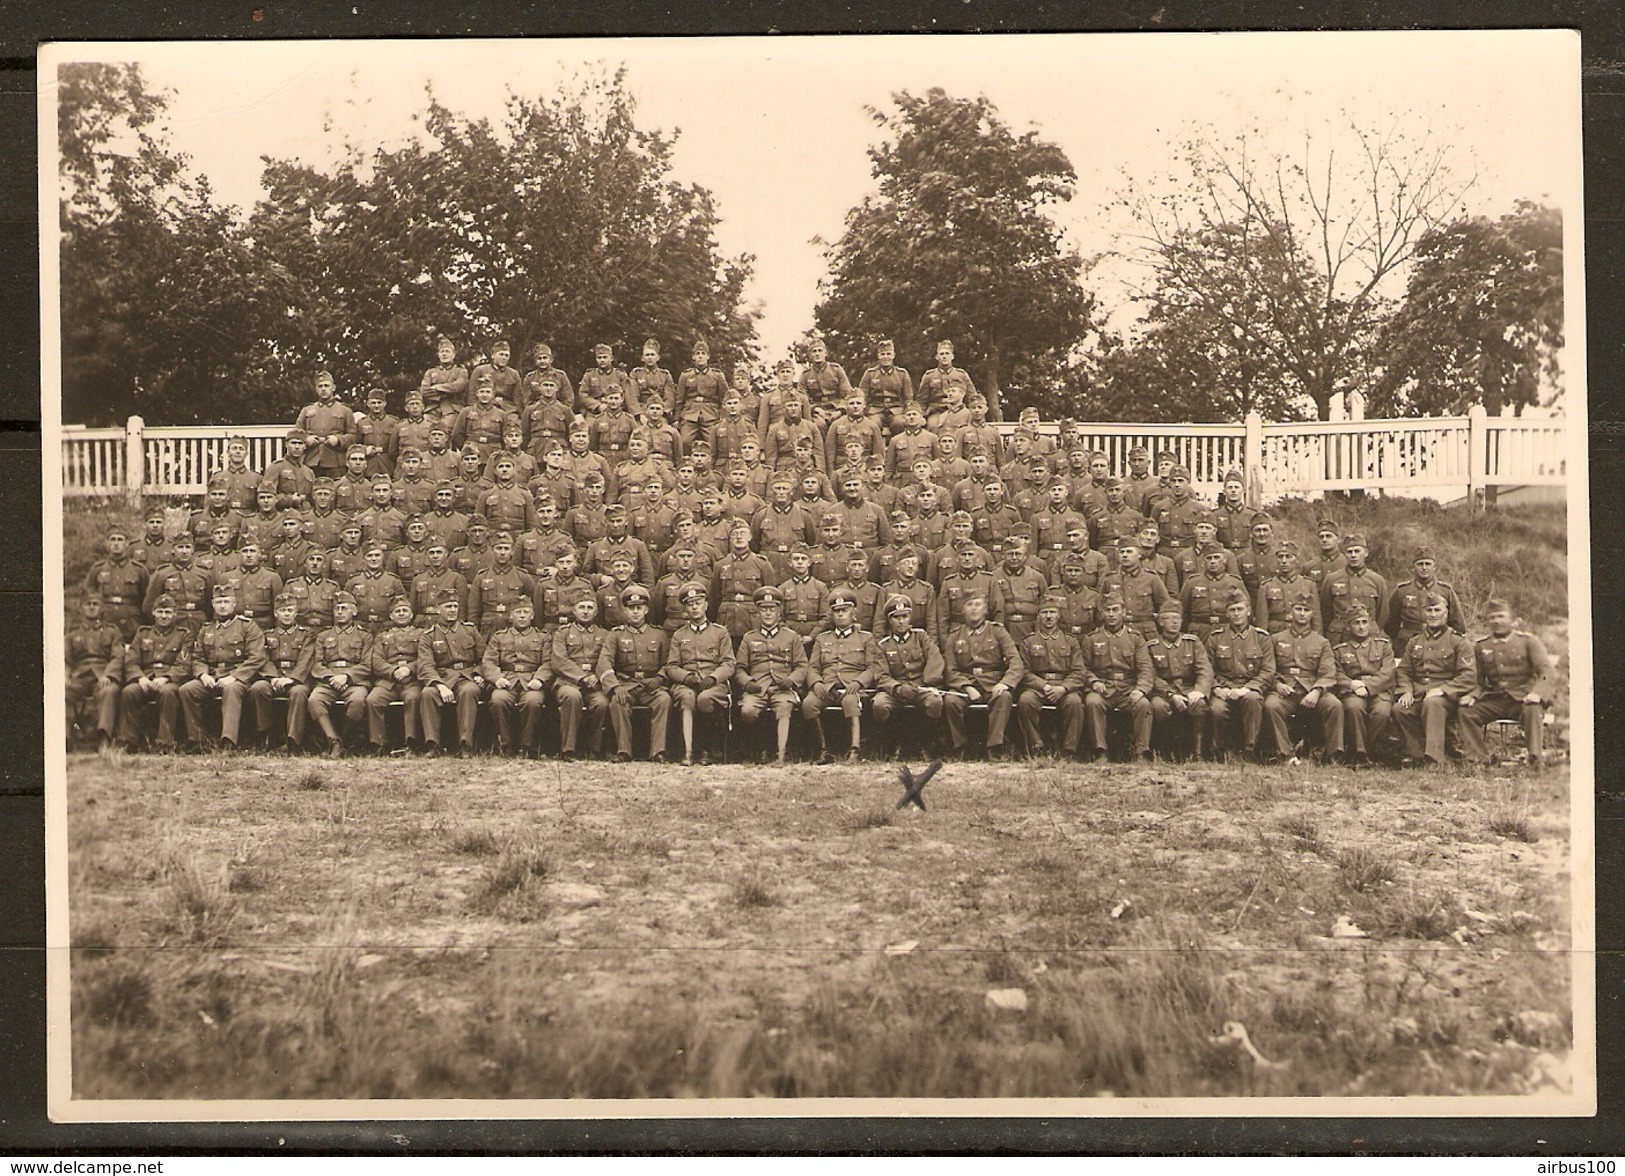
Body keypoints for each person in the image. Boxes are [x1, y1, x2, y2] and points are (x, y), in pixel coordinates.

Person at [1459, 600, 1555, 768]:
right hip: (1495, 699)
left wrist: (1537, 694)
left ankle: (1534, 759)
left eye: (1501, 616)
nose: (1496, 621)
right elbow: (1478, 679)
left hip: (1523, 699)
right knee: (1466, 712)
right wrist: (1472, 695)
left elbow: (1546, 671)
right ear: (1487, 622)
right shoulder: (1482, 645)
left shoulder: (1528, 642)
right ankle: (1479, 760)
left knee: (1533, 710)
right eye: (1492, 617)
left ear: (1512, 619)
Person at [178, 584, 268, 752]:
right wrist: (203, 674)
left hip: (239, 678)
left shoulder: (247, 626)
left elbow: (257, 657)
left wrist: (234, 676)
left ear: (234, 603)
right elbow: (197, 657)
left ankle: (229, 741)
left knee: (231, 690)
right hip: (212, 677)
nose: (222, 606)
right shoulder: (206, 629)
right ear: (213, 604)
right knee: (187, 690)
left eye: (226, 601)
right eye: (219, 602)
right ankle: (198, 740)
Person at [1393, 593, 1477, 767]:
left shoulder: (1458, 642)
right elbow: (1404, 670)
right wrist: (1407, 690)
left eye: (1437, 610)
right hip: (1419, 694)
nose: (1432, 614)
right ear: (1423, 613)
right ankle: (1415, 754)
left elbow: (1468, 676)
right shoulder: (1415, 641)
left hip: (1448, 698)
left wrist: (1443, 690)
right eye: (1428, 610)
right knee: (1400, 709)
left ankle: (1434, 758)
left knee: (1432, 703)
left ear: (1446, 613)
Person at [802, 589, 881, 764]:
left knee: (850, 701)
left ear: (853, 613)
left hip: (852, 687)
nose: (840, 615)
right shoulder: (822, 639)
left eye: (844, 610)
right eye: (837, 611)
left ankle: (855, 751)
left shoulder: (865, 638)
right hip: (827, 687)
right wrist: (816, 683)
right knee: (809, 704)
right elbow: (813, 667)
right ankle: (824, 750)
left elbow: (872, 667)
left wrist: (859, 682)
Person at [941, 591, 1022, 760]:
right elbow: (950, 669)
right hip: (966, 684)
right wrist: (967, 687)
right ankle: (959, 748)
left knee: (1004, 697)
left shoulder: (998, 632)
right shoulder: (955, 635)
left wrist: (1005, 683)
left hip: (993, 683)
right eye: (969, 605)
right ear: (963, 610)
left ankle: (995, 748)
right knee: (950, 701)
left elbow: (1016, 662)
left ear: (985, 609)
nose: (973, 609)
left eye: (978, 604)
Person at [663, 582, 736, 766]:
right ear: (685, 609)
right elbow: (671, 666)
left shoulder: (720, 632)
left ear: (706, 604)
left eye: (698, 602)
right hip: (687, 683)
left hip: (713, 683)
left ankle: (707, 750)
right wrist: (685, 677)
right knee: (687, 698)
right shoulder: (679, 635)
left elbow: (729, 663)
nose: (694, 607)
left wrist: (713, 677)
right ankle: (688, 753)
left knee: (705, 699)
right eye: (689, 604)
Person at [731, 586, 806, 765]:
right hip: (758, 687)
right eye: (764, 609)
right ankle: (759, 750)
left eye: (772, 609)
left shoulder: (791, 637)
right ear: (758, 612)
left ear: (779, 611)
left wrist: (791, 680)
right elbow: (739, 667)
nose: (768, 613)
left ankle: (780, 755)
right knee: (747, 711)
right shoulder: (749, 638)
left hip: (783, 686)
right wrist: (748, 683)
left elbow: (802, 665)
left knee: (784, 708)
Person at [599, 585, 672, 764]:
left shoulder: (659, 634)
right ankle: (624, 751)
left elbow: (669, 663)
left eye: (639, 608)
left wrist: (660, 678)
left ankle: (657, 751)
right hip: (626, 683)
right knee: (618, 701)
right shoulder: (615, 635)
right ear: (624, 610)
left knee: (664, 700)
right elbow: (604, 662)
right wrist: (615, 686)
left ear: (646, 610)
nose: (635, 612)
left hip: (650, 685)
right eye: (631, 608)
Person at [108, 594, 191, 752]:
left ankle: (164, 743)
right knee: (129, 692)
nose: (163, 616)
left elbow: (184, 664)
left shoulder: (183, 635)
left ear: (175, 614)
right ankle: (127, 741)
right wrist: (140, 678)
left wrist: (166, 678)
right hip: (145, 678)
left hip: (169, 681)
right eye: (160, 612)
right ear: (153, 612)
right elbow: (131, 661)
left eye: (168, 612)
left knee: (168, 693)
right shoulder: (143, 633)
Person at [1262, 599, 1341, 764]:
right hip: (1286, 690)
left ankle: (1333, 755)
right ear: (1291, 612)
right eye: (1298, 609)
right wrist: (1277, 684)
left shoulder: (1322, 642)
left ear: (1312, 614)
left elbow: (1328, 672)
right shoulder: (1275, 639)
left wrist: (1316, 691)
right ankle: (1285, 754)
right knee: (1271, 705)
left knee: (1334, 705)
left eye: (1306, 610)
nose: (1302, 613)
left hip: (1311, 689)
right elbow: (1268, 668)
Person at [1080, 591, 1154, 762]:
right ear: (1102, 613)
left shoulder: (1135, 638)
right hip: (1103, 688)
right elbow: (1083, 668)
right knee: (1092, 702)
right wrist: (1094, 681)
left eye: (1115, 610)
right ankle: (1100, 751)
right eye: (1107, 610)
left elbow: (1145, 668)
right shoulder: (1092, 638)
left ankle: (1142, 752)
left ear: (1124, 611)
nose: (1111, 614)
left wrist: (1140, 689)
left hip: (1127, 688)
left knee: (1143, 704)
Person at [1015, 594, 1088, 759]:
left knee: (1075, 702)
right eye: (1044, 612)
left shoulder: (1070, 641)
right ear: (1038, 615)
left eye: (1052, 612)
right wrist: (1044, 686)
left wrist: (1063, 688)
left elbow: (1079, 671)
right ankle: (1036, 747)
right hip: (1037, 687)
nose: (1048, 616)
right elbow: (1024, 671)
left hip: (1063, 686)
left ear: (1059, 615)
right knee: (1025, 701)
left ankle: (1069, 750)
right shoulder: (1028, 641)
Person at [1206, 590, 1275, 761]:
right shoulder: (1216, 638)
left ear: (1248, 611)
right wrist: (1216, 688)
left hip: (1249, 687)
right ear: (1227, 614)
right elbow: (1207, 669)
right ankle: (1220, 751)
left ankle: (1249, 750)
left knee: (1252, 700)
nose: (1236, 614)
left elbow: (1268, 670)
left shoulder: (1261, 638)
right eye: (1232, 610)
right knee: (1216, 709)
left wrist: (1247, 689)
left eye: (1240, 609)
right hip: (1224, 688)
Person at [481, 599, 552, 758]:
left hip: (532, 680)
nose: (522, 616)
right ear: (511, 616)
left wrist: (540, 679)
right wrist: (497, 678)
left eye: (525, 612)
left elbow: (548, 662)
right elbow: (489, 661)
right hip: (507, 680)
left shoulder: (543, 637)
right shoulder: (499, 637)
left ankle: (528, 746)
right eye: (518, 612)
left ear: (532, 616)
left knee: (533, 702)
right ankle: (505, 745)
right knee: (498, 700)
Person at [418, 589, 485, 757]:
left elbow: (485, 658)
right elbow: (425, 665)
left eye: (455, 606)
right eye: (448, 606)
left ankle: (465, 745)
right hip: (442, 678)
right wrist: (440, 686)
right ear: (438, 609)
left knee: (469, 691)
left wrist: (478, 674)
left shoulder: (470, 630)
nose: (452, 610)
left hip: (466, 677)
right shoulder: (428, 635)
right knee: (428, 693)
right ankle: (433, 745)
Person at [306, 590, 373, 758]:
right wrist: (330, 677)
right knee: (315, 700)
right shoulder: (323, 635)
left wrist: (347, 677)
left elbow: (367, 664)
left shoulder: (365, 636)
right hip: (328, 680)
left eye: (345, 608)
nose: (341, 612)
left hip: (354, 681)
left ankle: (343, 739)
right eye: (337, 609)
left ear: (354, 611)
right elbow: (317, 663)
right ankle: (334, 740)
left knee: (357, 701)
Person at [250, 591, 317, 753]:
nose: (286, 614)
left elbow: (306, 660)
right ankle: (266, 734)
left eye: (290, 610)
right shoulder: (267, 635)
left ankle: (293, 740)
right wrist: (273, 678)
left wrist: (292, 679)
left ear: (296, 613)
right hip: (274, 677)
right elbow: (263, 658)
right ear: (275, 613)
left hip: (296, 680)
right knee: (257, 688)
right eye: (282, 611)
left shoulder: (306, 634)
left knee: (300, 693)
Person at [1146, 601, 1213, 761]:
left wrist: (1198, 691)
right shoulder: (1152, 646)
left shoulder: (1193, 642)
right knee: (1158, 707)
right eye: (1169, 618)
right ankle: (1164, 752)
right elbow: (1151, 676)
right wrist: (1170, 694)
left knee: (1200, 705)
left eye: (1178, 618)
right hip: (1163, 692)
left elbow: (1205, 670)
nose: (1175, 622)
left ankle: (1197, 754)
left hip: (1189, 688)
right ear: (1160, 622)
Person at [1331, 604, 1396, 766]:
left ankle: (1369, 752)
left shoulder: (1383, 646)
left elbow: (1388, 673)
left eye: (1364, 622)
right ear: (1348, 626)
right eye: (1356, 623)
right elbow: (1337, 674)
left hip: (1379, 690)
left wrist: (1366, 686)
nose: (1361, 627)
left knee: (1381, 712)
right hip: (1352, 691)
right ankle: (1359, 754)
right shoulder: (1339, 650)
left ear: (1369, 623)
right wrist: (1353, 684)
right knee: (1354, 708)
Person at [550, 595, 612, 761]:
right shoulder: (562, 633)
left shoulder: (605, 634)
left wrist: (597, 677)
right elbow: (559, 661)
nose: (585, 612)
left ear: (596, 612)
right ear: (574, 611)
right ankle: (568, 748)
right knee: (572, 697)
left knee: (601, 703)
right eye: (582, 607)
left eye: (590, 608)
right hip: (568, 682)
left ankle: (593, 748)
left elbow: (607, 659)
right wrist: (582, 677)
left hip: (595, 683)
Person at [364, 596, 426, 754]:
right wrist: (392, 671)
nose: (401, 614)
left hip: (412, 680)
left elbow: (426, 657)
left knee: (413, 699)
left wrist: (410, 669)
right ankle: (379, 745)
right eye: (397, 611)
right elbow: (376, 661)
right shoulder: (382, 636)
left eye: (405, 610)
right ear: (391, 616)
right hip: (388, 681)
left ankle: (411, 744)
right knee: (373, 700)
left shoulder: (422, 634)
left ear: (411, 615)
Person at [65, 594, 123, 748]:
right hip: (79, 675)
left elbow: (117, 657)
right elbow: (66, 660)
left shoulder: (112, 631)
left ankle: (104, 738)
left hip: (103, 674)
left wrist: (108, 675)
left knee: (108, 691)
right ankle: (64, 739)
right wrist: (65, 677)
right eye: (88, 604)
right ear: (81, 608)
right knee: (61, 692)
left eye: (95, 604)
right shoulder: (72, 633)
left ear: (102, 607)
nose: (91, 607)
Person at [1387, 546, 1466, 649]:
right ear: (1413, 567)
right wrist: (1401, 639)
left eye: (1427, 564)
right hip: (1407, 646)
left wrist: (1446, 642)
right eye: (1420, 564)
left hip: (1438, 645)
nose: (1424, 568)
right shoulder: (1402, 591)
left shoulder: (1446, 591)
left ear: (1434, 567)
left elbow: (1458, 625)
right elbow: (1390, 623)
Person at [1322, 533, 1389, 646]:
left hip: (1369, 637)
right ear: (1344, 554)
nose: (1353, 555)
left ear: (1366, 553)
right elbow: (1325, 611)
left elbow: (1383, 613)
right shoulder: (1332, 579)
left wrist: (1370, 627)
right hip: (1339, 637)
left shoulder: (1377, 580)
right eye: (1349, 552)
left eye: (1357, 551)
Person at [83, 525, 147, 640]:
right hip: (105, 620)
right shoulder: (98, 569)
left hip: (131, 623)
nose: (116, 543)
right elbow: (88, 596)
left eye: (120, 539)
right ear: (107, 543)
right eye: (113, 539)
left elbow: (146, 600)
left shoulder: (139, 570)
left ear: (127, 543)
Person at [296, 371, 359, 477]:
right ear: (316, 389)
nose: (323, 389)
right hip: (311, 460)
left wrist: (338, 440)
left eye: (326, 385)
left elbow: (353, 436)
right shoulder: (307, 410)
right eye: (320, 386)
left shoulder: (345, 410)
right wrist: (306, 439)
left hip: (335, 461)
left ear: (333, 388)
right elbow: (296, 433)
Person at [674, 339, 728, 452]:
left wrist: (723, 418)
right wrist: (676, 419)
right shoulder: (685, 375)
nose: (700, 356)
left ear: (708, 357)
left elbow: (725, 399)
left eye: (703, 354)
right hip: (690, 414)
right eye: (697, 354)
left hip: (711, 414)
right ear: (693, 357)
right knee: (684, 441)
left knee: (712, 443)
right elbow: (679, 399)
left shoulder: (717, 375)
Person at [859, 339, 914, 436]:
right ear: (878, 356)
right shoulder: (870, 374)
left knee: (900, 423)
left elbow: (908, 398)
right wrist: (864, 411)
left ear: (893, 355)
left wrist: (907, 412)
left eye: (888, 354)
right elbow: (862, 396)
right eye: (883, 354)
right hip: (876, 409)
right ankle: (876, 450)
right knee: (873, 423)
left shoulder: (902, 374)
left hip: (896, 409)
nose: (886, 357)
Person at [916, 339, 976, 419]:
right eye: (941, 354)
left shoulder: (961, 375)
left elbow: (972, 397)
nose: (944, 356)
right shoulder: (929, 376)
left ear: (952, 356)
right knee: (934, 425)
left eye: (947, 353)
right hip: (936, 411)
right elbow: (921, 400)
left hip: (958, 410)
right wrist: (920, 417)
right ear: (937, 357)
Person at [798, 338, 853, 423]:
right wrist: (816, 409)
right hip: (817, 411)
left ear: (825, 353)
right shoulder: (805, 375)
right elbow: (802, 397)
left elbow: (847, 394)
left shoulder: (836, 369)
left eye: (820, 350)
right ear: (810, 355)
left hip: (836, 407)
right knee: (819, 425)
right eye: (814, 351)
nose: (817, 354)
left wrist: (840, 411)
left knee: (841, 424)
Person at [418, 336, 469, 419]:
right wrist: (447, 391)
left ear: (453, 355)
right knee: (425, 428)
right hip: (432, 409)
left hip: (453, 409)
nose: (444, 354)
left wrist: (437, 387)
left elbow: (458, 387)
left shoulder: (461, 371)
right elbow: (424, 391)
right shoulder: (430, 372)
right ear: (438, 355)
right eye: (442, 352)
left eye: (447, 351)